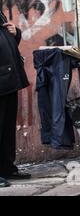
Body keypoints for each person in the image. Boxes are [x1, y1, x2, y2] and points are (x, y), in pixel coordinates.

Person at [0, 10, 31, 187]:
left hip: (8, 78)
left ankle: (7, 168)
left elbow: (7, 41)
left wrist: (14, 33)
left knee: (7, 128)